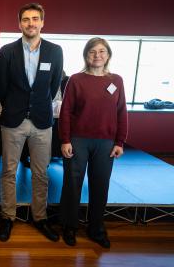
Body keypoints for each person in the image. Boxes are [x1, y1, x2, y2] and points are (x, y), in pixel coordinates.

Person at [0, 3, 63, 242]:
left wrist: (37, 105)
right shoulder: (7, 51)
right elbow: (0, 86)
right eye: (26, 19)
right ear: (19, 23)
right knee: (9, 172)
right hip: (13, 120)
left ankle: (40, 217)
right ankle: (7, 217)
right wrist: (14, 106)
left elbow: (53, 85)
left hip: (42, 122)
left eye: (35, 19)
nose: (31, 23)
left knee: (40, 173)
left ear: (42, 22)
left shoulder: (55, 51)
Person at [59, 37, 128, 248]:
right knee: (72, 185)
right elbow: (66, 112)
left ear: (108, 55)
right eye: (92, 51)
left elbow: (121, 112)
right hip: (78, 141)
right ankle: (69, 226)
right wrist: (65, 140)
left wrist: (120, 142)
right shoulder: (76, 80)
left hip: (106, 143)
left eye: (101, 51)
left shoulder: (117, 80)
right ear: (86, 55)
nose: (97, 55)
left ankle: (96, 228)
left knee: (100, 186)